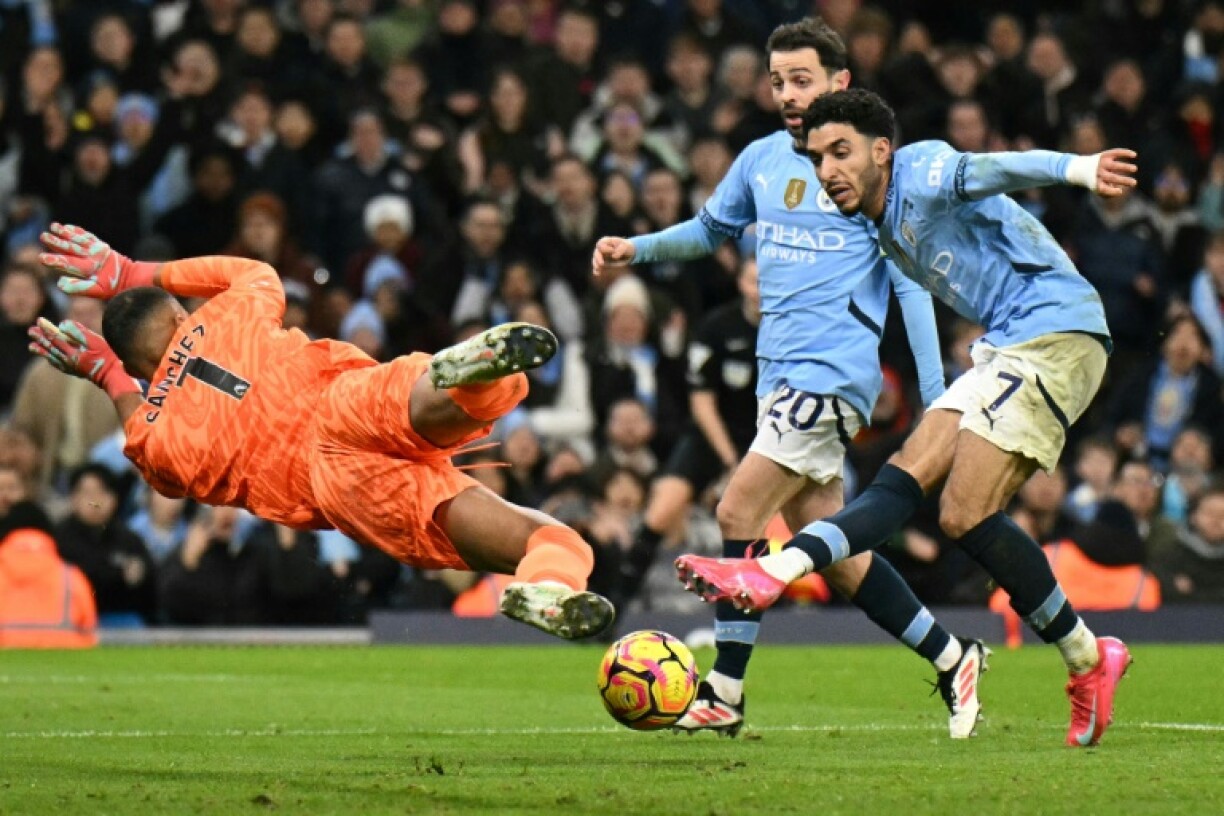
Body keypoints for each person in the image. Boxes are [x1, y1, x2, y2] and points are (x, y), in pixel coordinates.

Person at [675, 88, 1136, 747]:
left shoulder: (919, 170)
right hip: (1005, 344)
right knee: (958, 513)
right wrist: (934, 388)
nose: (828, 168)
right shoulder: (882, 226)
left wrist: (1078, 169)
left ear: (881, 151)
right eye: (816, 157)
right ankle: (1089, 658)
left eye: (841, 152)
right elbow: (918, 305)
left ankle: (770, 570)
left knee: (921, 485)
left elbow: (996, 168)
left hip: (1055, 331)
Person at [593, 18, 980, 739]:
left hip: (830, 376)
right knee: (834, 552)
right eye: (777, 81)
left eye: (801, 79)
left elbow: (913, 286)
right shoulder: (762, 160)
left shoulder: (865, 171)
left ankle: (724, 692)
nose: (787, 94)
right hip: (779, 376)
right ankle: (953, 654)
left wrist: (938, 401)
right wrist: (635, 249)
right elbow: (710, 231)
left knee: (739, 514)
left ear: (840, 82)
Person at [27, 222, 614, 640]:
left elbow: (141, 439)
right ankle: (467, 376)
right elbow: (247, 270)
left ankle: (548, 594)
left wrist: (105, 374)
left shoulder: (158, 434)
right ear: (180, 314)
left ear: (135, 366)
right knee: (465, 410)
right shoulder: (230, 310)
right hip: (338, 404)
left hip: (338, 487)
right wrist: (131, 271)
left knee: (525, 536)